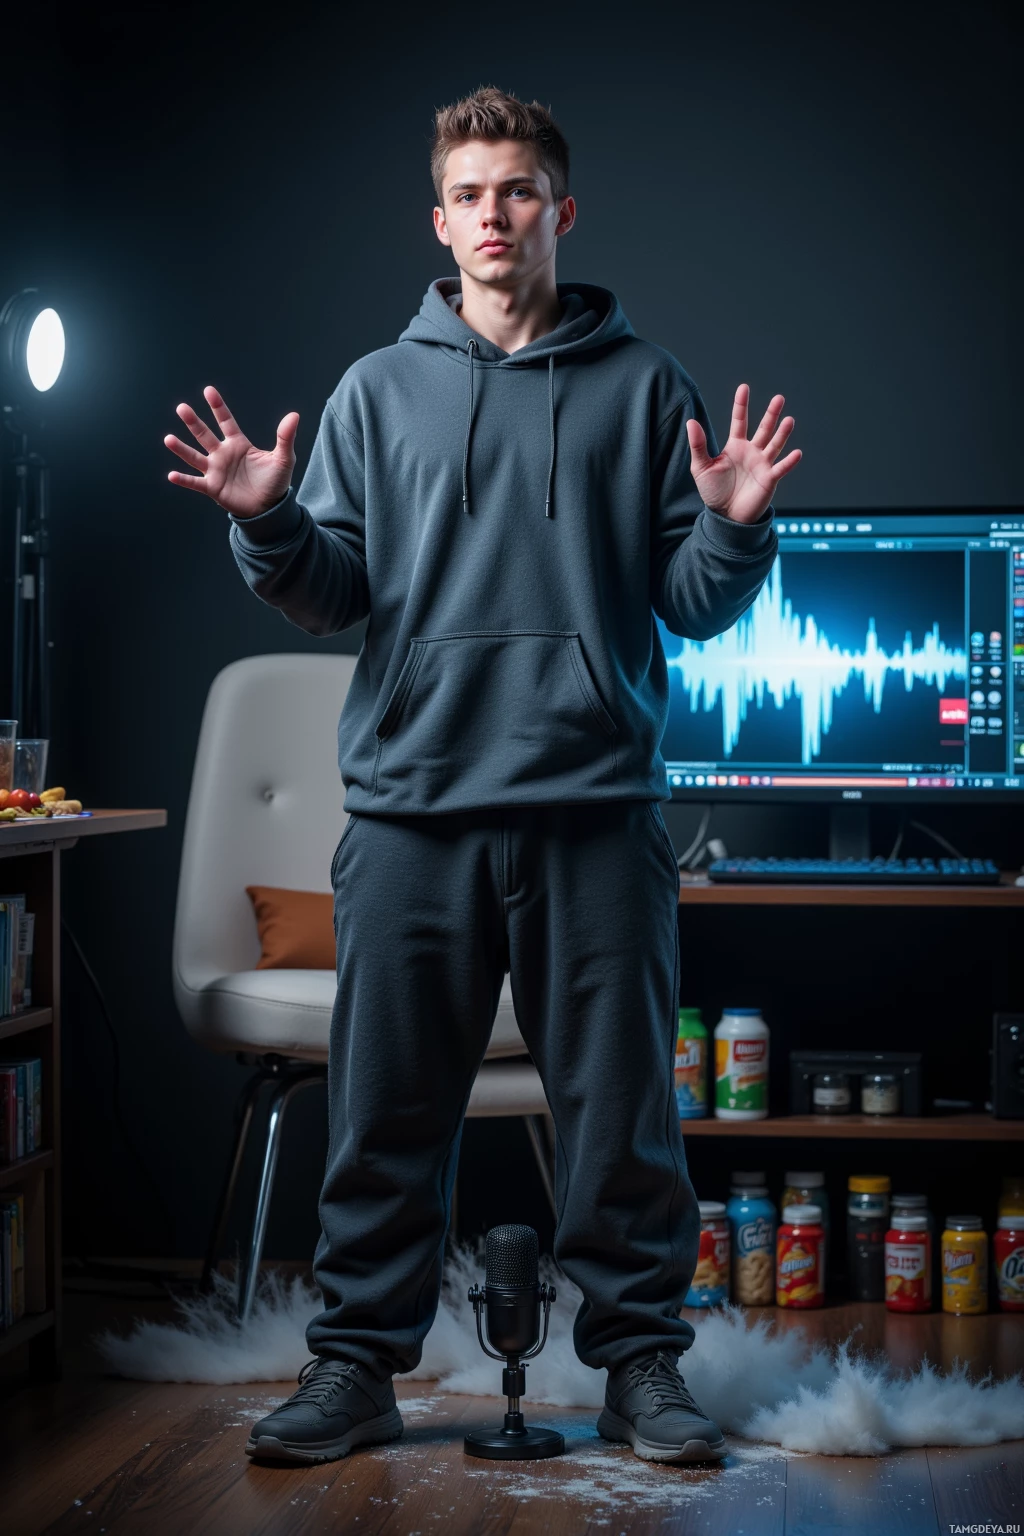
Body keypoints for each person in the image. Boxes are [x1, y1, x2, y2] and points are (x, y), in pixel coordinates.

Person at [163, 85, 800, 1467]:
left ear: (561, 211)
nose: (495, 215)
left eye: (519, 190)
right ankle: (355, 1369)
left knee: (624, 1122)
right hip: (412, 814)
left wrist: (738, 531)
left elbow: (689, 602)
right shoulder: (376, 392)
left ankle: (642, 1369)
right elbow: (329, 594)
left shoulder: (646, 388)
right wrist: (268, 520)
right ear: (439, 221)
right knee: (385, 1115)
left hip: (596, 814)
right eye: (471, 193)